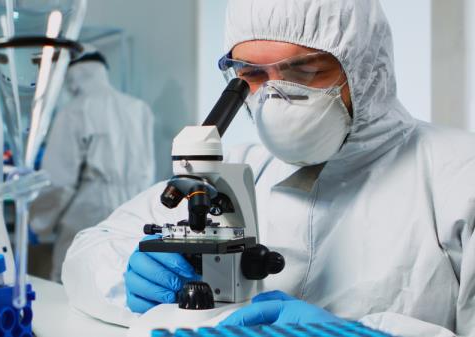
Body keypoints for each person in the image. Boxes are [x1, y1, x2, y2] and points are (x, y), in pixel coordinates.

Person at [61, 1, 475, 336]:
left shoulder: (458, 175)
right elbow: (86, 253)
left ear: (367, 66)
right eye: (253, 75)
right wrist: (124, 274)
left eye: (305, 70)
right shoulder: (242, 169)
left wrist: (362, 333)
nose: (275, 96)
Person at [30, 46, 156, 281]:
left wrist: (39, 222)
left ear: (71, 74)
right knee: (125, 285)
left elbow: (58, 182)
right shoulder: (139, 109)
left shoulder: (74, 111)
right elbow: (147, 170)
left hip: (88, 216)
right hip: (134, 215)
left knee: (76, 287)